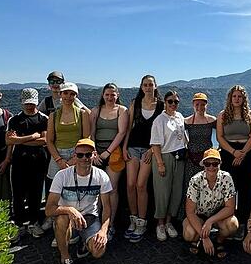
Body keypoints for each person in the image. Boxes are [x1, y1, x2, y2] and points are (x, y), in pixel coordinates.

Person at [45, 138, 112, 264]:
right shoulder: (62, 176)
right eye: (80, 155)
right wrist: (69, 209)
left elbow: (107, 207)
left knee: (98, 251)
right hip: (68, 218)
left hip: (89, 217)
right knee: (61, 218)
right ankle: (66, 260)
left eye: (88, 155)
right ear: (74, 156)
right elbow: (49, 210)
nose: (84, 158)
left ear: (94, 155)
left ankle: (84, 239)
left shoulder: (101, 176)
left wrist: (103, 231)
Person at [45, 82, 91, 243]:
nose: (68, 97)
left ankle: (75, 226)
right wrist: (59, 159)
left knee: (75, 190)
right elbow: (49, 140)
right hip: (57, 154)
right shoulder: (53, 116)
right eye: (66, 93)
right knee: (56, 191)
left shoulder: (82, 114)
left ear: (76, 96)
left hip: (77, 154)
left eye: (72, 94)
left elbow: (86, 138)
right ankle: (59, 227)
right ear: (61, 94)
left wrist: (73, 159)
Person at [122, 75, 164, 242]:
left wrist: (153, 151)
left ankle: (142, 222)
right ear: (141, 86)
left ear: (155, 86)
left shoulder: (160, 106)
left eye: (150, 84)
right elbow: (128, 127)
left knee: (141, 185)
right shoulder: (135, 103)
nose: (147, 87)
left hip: (149, 150)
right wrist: (124, 147)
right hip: (133, 146)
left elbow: (161, 132)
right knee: (130, 184)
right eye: (145, 85)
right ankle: (133, 219)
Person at [216, 85, 251, 240]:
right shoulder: (222, 115)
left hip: (246, 153)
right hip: (228, 153)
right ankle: (227, 223)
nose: (237, 99)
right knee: (228, 189)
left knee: (246, 190)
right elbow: (220, 137)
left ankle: (242, 225)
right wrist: (234, 152)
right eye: (234, 96)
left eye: (240, 96)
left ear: (244, 98)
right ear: (230, 98)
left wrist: (242, 153)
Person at [6, 88, 49, 238]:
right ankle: (19, 224)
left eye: (32, 103)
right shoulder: (14, 119)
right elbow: (9, 140)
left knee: (35, 193)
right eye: (27, 103)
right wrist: (31, 137)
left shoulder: (44, 119)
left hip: (38, 160)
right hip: (19, 161)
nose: (29, 106)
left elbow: (44, 140)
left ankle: (33, 222)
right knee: (18, 193)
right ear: (22, 103)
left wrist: (21, 140)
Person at [90, 83, 129, 242]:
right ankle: (95, 224)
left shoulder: (122, 110)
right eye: (107, 94)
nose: (110, 97)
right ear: (103, 95)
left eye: (113, 94)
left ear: (117, 95)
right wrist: (93, 152)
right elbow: (91, 133)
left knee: (111, 189)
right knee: (97, 190)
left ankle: (110, 224)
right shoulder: (95, 111)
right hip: (96, 152)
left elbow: (121, 133)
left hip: (114, 153)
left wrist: (107, 152)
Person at [183, 149, 238, 258]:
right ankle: (200, 237)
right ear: (203, 165)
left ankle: (219, 240)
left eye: (215, 163)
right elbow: (190, 212)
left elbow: (230, 208)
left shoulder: (226, 178)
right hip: (199, 215)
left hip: (218, 215)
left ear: (220, 164)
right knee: (188, 234)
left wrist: (210, 221)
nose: (211, 167)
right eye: (208, 164)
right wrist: (205, 237)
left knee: (233, 225)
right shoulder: (195, 180)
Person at [150, 90, 187, 241]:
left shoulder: (180, 117)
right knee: (162, 192)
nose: (173, 104)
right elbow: (155, 143)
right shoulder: (159, 120)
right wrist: (160, 163)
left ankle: (169, 222)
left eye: (176, 102)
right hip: (164, 157)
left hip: (180, 158)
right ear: (165, 102)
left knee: (176, 191)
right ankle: (160, 223)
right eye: (170, 101)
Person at [179, 92, 217, 220]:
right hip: (191, 159)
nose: (200, 107)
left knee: (207, 186)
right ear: (193, 105)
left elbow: (222, 135)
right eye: (197, 104)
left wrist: (219, 151)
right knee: (190, 187)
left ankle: (206, 216)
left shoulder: (212, 120)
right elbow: (177, 135)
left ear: (206, 105)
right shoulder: (187, 121)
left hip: (207, 160)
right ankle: (188, 216)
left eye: (202, 104)